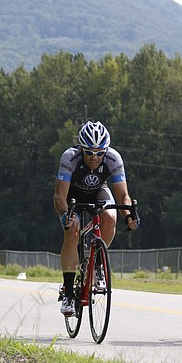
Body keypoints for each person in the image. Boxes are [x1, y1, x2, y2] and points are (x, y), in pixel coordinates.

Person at [54, 120, 139, 316]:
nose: (95, 158)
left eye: (100, 153)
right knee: (72, 229)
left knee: (110, 217)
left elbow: (123, 196)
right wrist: (66, 215)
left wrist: (128, 216)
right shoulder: (70, 157)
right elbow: (59, 196)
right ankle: (68, 293)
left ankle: (98, 263)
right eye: (90, 153)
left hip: (98, 191)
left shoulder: (114, 158)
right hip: (71, 195)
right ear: (82, 148)